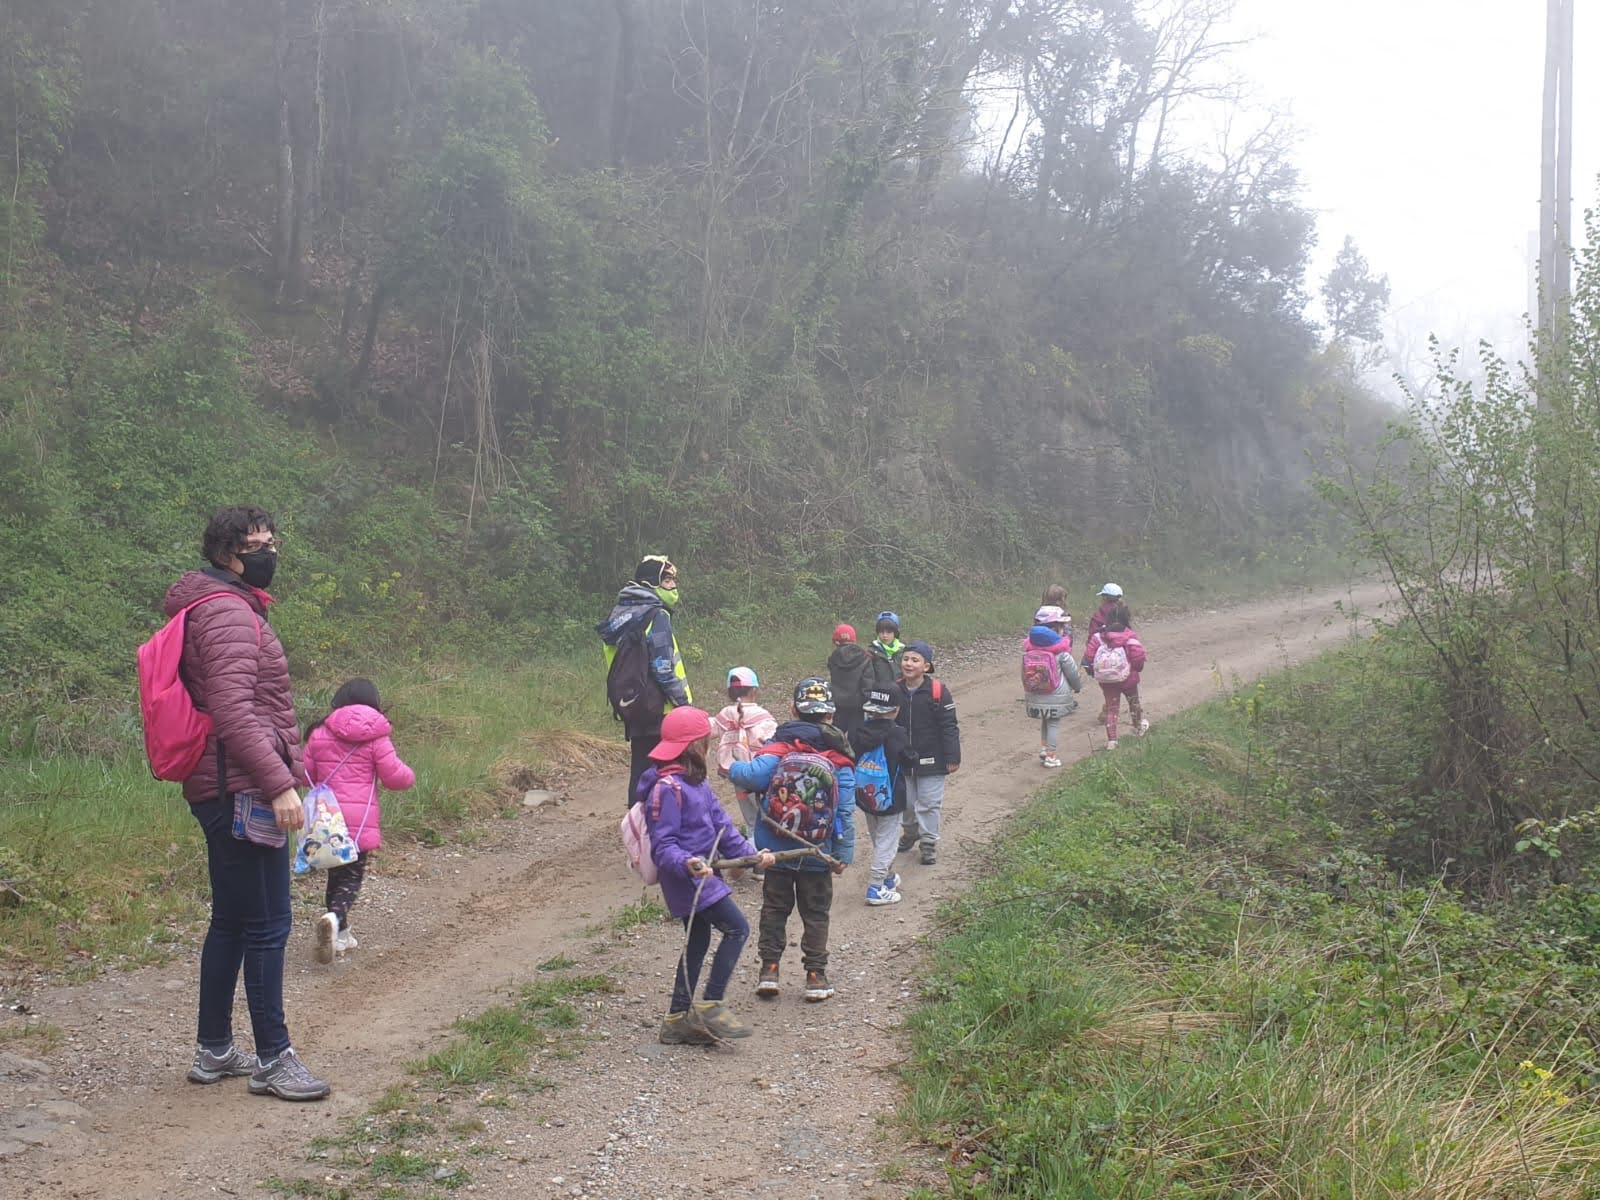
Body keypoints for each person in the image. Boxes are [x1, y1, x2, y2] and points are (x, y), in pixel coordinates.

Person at [167, 505, 329, 1102]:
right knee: (267, 924)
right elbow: (234, 711)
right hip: (240, 786)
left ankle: (214, 1050)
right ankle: (273, 1059)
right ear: (226, 554)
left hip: (225, 782)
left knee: (233, 922)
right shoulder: (228, 613)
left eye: (271, 542)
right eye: (257, 546)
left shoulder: (219, 605)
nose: (269, 554)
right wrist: (279, 783)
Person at [639, 706, 775, 1045]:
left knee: (698, 940)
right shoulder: (667, 789)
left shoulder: (697, 783)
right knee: (737, 928)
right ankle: (712, 1004)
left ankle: (675, 1020)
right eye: (706, 741)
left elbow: (723, 827)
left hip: (705, 875)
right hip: (687, 879)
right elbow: (663, 846)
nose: (709, 747)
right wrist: (688, 863)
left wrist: (752, 857)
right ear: (694, 746)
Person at [727, 679, 855, 1003]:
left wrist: (735, 763)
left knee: (774, 910)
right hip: (817, 852)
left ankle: (769, 971)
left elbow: (747, 775)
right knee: (816, 914)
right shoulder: (838, 757)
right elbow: (845, 811)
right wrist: (842, 855)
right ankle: (815, 976)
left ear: (794, 710)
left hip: (776, 852)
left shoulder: (780, 748)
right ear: (830, 715)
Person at [302, 678, 416, 963]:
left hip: (326, 817)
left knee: (335, 874)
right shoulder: (376, 736)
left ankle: (340, 934)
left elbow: (304, 773)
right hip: (358, 820)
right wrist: (409, 776)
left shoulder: (319, 732)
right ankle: (335, 918)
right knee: (351, 877)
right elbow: (394, 776)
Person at [598, 555, 693, 809]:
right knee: (671, 771)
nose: (674, 586)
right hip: (662, 708)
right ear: (651, 582)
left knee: (641, 770)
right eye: (667, 579)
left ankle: (637, 823)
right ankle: (667, 824)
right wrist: (684, 704)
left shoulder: (618, 615)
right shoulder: (656, 615)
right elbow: (663, 668)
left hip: (631, 705)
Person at [847, 686, 916, 905]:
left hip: (865, 797)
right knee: (888, 841)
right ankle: (876, 888)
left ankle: (887, 877)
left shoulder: (857, 730)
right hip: (890, 797)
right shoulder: (897, 733)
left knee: (878, 837)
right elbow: (909, 759)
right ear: (895, 710)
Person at [895, 641, 961, 866]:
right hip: (902, 759)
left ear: (926, 666)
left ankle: (929, 842)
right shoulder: (894, 690)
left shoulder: (938, 692)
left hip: (934, 759)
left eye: (915, 660)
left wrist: (952, 756)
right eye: (906, 659)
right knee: (905, 804)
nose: (908, 663)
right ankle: (911, 832)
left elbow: (949, 726)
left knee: (929, 803)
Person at [711, 667, 778, 868]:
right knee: (765, 817)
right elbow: (773, 743)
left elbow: (711, 728)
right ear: (754, 690)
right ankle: (760, 863)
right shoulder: (763, 716)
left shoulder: (727, 713)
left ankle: (750, 852)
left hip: (736, 775)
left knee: (750, 820)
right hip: (759, 776)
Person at [1023, 606, 1081, 769]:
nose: (1063, 630)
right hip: (1056, 695)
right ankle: (1051, 756)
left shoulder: (1029, 650)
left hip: (1035, 692)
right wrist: (1077, 686)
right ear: (1055, 628)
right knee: (1053, 723)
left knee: (1044, 720)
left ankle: (1043, 748)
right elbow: (1073, 673)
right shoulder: (1062, 653)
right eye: (1062, 627)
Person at [1084, 602, 1149, 749]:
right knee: (1133, 702)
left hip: (1107, 679)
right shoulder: (1129, 636)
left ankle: (1112, 740)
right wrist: (1136, 669)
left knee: (1111, 707)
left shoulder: (1098, 637)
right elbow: (1138, 656)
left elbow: (1089, 656)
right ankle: (1138, 726)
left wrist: (1095, 670)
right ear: (1127, 618)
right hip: (1128, 677)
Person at [826, 623, 874, 734]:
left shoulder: (833, 658)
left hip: (838, 704)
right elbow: (868, 683)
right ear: (854, 640)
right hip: (858, 706)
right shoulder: (864, 657)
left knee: (836, 735)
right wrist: (867, 702)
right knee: (856, 737)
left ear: (836, 642)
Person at [868, 612, 905, 692]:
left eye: (888, 632)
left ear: (895, 633)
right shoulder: (871, 652)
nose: (885, 635)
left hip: (899, 693)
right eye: (882, 632)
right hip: (878, 694)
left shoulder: (903, 651)